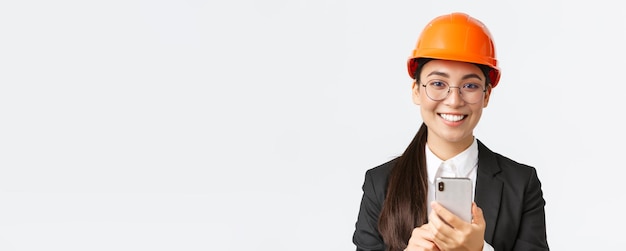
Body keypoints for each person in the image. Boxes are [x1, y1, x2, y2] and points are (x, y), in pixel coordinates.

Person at [352, 12, 549, 251]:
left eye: (470, 86)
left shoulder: (520, 183)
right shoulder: (380, 184)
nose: (454, 100)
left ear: (486, 95)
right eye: (438, 84)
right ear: (416, 90)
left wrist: (479, 250)